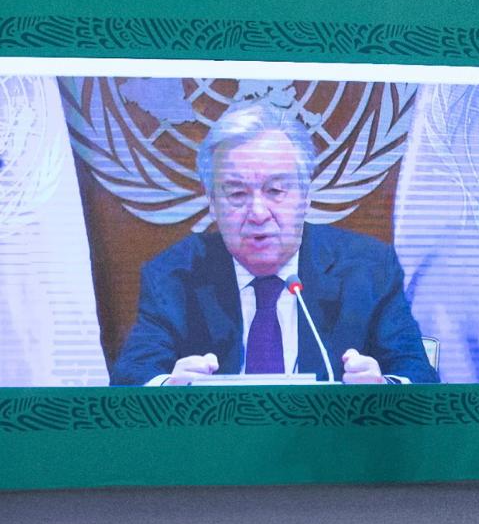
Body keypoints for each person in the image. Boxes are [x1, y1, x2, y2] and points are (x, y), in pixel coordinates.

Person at [110, 102, 439, 386]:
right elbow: (130, 380)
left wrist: (382, 387)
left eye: (275, 191)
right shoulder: (174, 275)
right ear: (211, 202)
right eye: (237, 193)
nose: (257, 213)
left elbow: (420, 378)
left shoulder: (369, 269)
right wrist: (169, 387)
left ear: (305, 197)